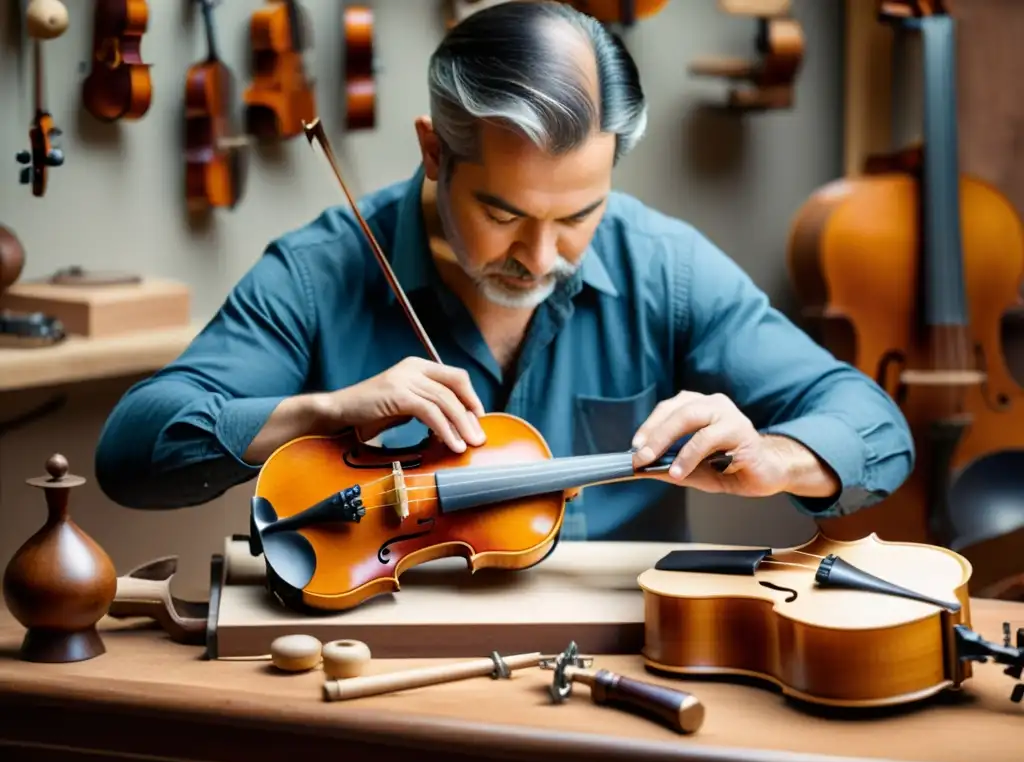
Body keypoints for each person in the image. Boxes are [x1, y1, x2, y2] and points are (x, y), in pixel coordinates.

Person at [94, 2, 913, 542]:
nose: (544, 257)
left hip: (623, 673)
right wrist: (323, 411)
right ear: (431, 153)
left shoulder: (666, 266)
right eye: (505, 214)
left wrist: (779, 458)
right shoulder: (319, 273)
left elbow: (873, 424)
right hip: (378, 661)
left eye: (578, 216)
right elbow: (133, 451)